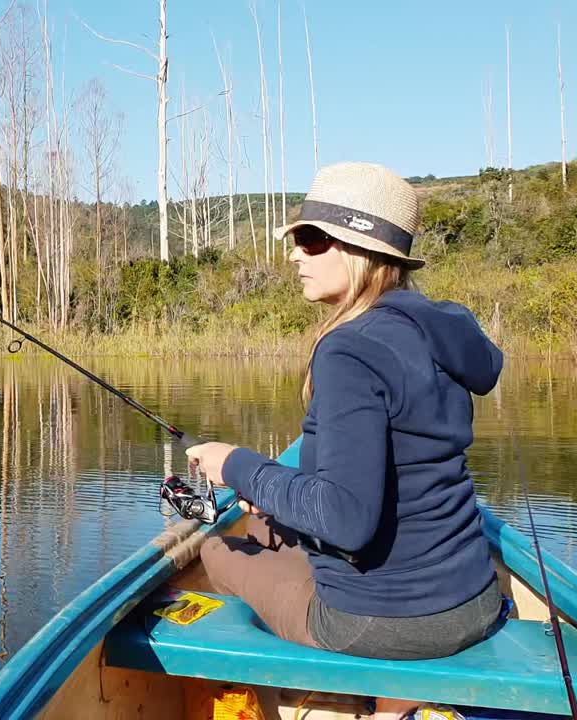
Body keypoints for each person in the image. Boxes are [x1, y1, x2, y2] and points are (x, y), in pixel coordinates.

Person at [186, 162, 504, 712]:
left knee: (216, 550)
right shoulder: (435, 328)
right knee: (267, 524)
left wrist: (233, 464)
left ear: (358, 250)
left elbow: (346, 521)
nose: (294, 255)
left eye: (310, 241)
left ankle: (354, 699)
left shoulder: (349, 350)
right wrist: (269, 490)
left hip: (380, 623)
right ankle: (397, 705)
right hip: (475, 601)